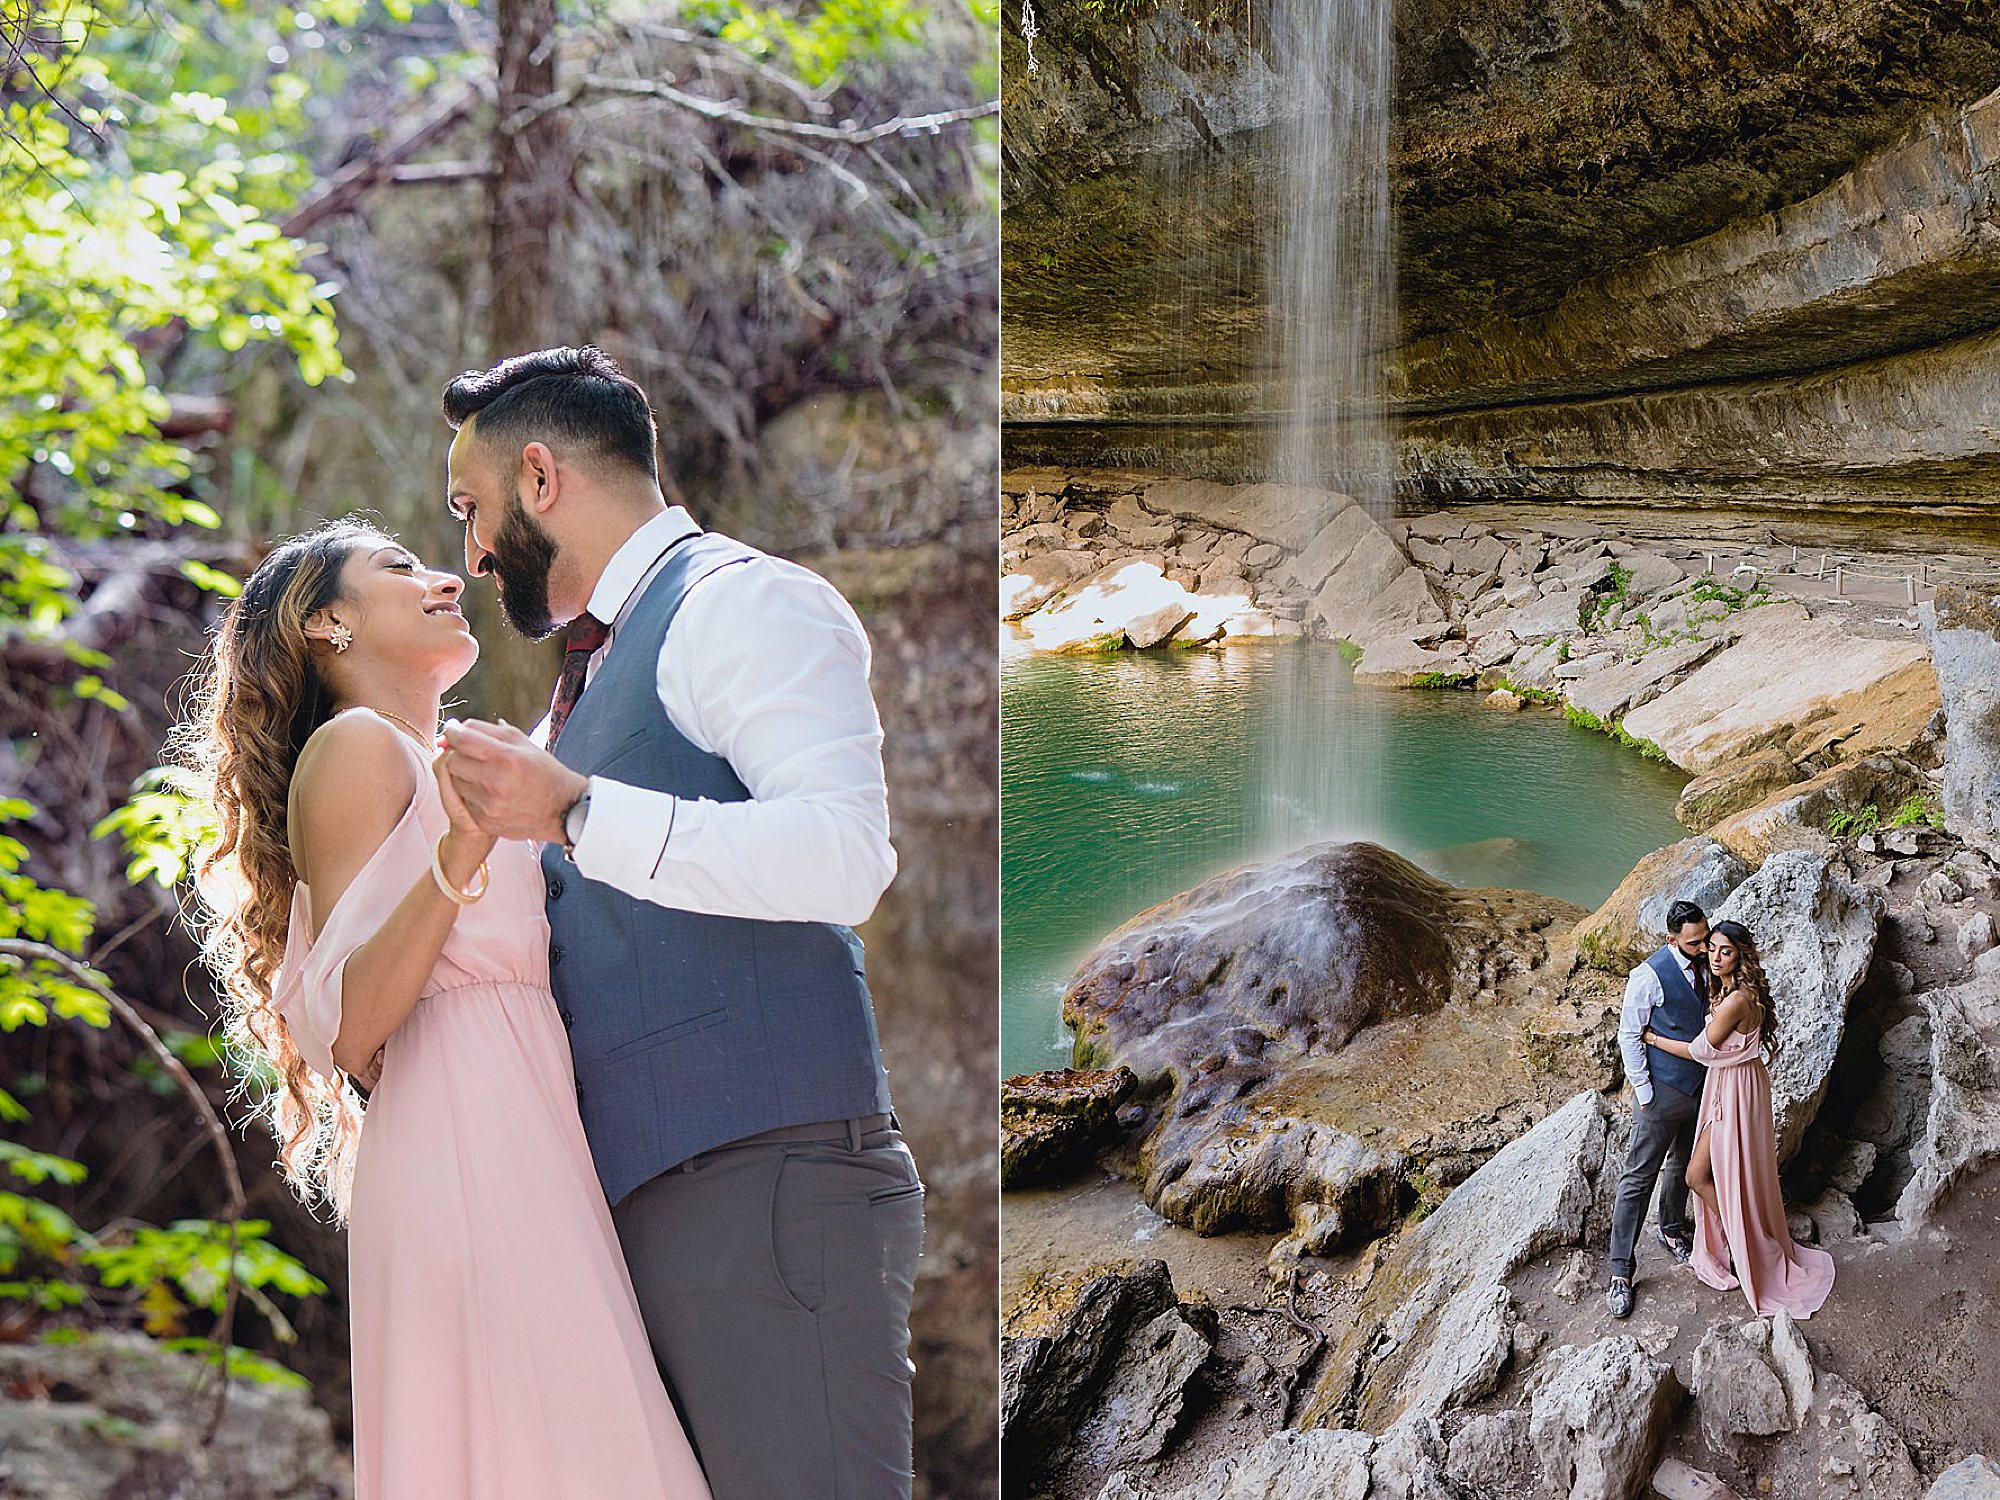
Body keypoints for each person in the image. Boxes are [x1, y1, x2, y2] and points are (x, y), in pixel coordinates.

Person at [430, 345, 924, 1500]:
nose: (469, 551)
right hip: (645, 1214)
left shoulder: (741, 602)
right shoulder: (582, 683)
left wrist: (579, 809)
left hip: (766, 1190)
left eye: (472, 509)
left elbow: (846, 856)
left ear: (540, 478)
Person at [179, 520, 710, 1499]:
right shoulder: (358, 747)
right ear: (328, 623)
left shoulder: (435, 759)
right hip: (466, 1142)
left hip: (525, 1132)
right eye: (399, 568)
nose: (443, 577)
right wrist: (464, 843)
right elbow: (352, 1024)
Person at [1643, 919, 1835, 1318]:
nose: (1714, 957)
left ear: (1741, 955)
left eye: (1725, 951)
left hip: (1734, 1090)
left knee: (1701, 1175)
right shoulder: (1733, 990)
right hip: (1736, 1083)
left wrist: (1654, 1039)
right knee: (1710, 1173)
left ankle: (1752, 1246)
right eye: (1711, 948)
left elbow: (1700, 1049)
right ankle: (1744, 1240)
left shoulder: (1735, 1001)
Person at [1606, 899, 1711, 1319]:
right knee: (1638, 1177)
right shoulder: (1647, 975)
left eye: (1705, 937)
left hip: (1702, 1088)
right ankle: (1620, 1271)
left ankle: (1671, 1229)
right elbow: (1629, 1035)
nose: (1703, 946)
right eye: (1694, 941)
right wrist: (1645, 1093)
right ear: (1672, 939)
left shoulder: (1708, 961)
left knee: (1685, 1165)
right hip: (1662, 1092)